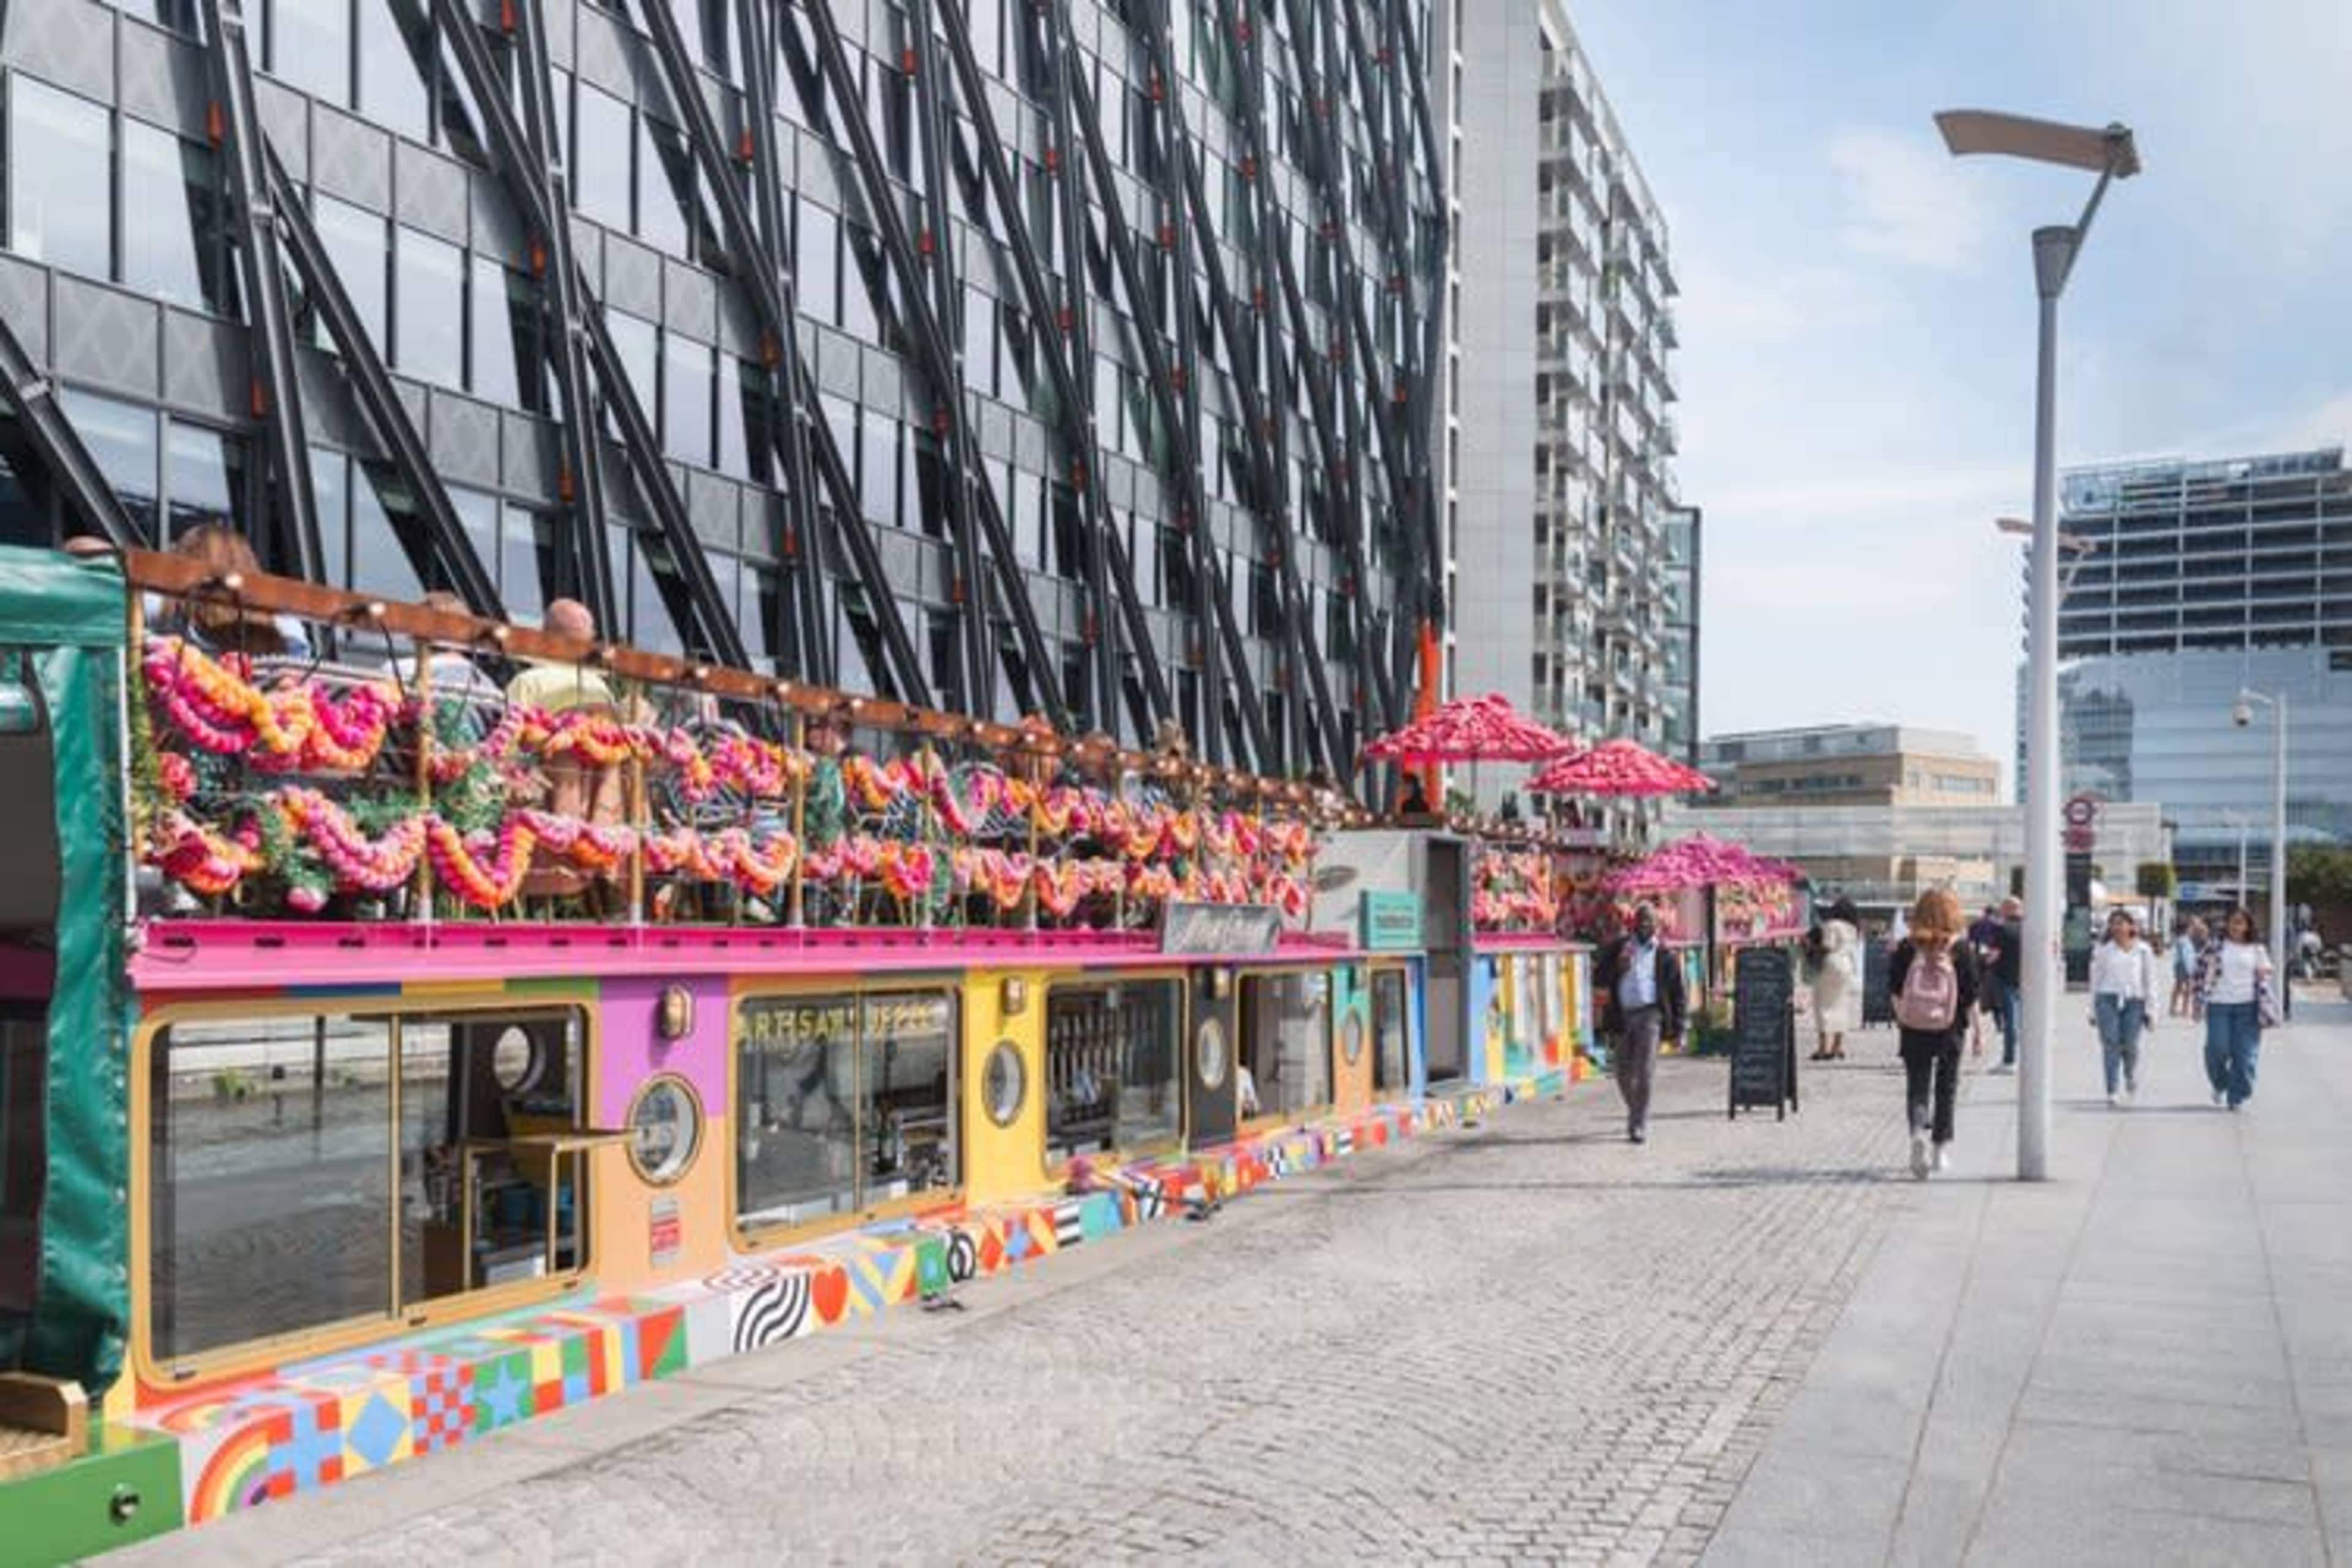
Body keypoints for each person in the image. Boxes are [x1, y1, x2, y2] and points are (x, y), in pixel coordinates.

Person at [1888, 889, 1980, 1178]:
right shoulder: (1960, 949)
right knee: (1947, 1086)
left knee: (1917, 1084)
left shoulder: (1906, 947)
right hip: (1950, 1028)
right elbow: (1971, 994)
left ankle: (1918, 1130)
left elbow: (1893, 989)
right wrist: (1978, 1030)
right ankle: (1940, 1150)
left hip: (1914, 1026)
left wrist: (1904, 1015)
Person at [149, 521, 313, 659]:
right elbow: (300, 661)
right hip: (259, 694)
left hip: (183, 692)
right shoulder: (283, 626)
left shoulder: (167, 613)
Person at [1596, 905, 1687, 1144]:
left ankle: (1638, 1125)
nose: (1645, 926)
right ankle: (1636, 1108)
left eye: (1650, 922)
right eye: (1641, 921)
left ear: (1657, 925)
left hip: (1651, 1016)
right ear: (1634, 923)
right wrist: (1618, 965)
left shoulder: (1666, 955)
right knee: (1622, 1072)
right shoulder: (1620, 948)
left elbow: (1678, 994)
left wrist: (1680, 1028)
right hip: (1623, 1015)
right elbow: (1599, 976)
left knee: (1645, 1072)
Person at [2193, 906, 2275, 1111]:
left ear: (2248, 926)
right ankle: (2221, 1083)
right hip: (2218, 1005)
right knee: (2217, 1049)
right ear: (2226, 924)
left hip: (2248, 1008)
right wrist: (2197, 1001)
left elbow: (2266, 971)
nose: (2236, 926)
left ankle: (2237, 1094)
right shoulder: (2215, 946)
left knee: (2246, 1057)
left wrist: (2263, 973)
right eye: (2232, 921)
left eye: (2240, 922)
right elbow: (2198, 972)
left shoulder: (2257, 949)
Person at [2089, 909, 2163, 1107]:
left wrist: (2152, 1010)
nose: (2118, 927)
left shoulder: (2143, 950)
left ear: (2132, 926)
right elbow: (2095, 981)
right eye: (2114, 924)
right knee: (2110, 1044)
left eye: (2122, 923)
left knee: (2131, 1044)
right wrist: (2092, 1010)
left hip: (2134, 1001)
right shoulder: (2103, 950)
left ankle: (2130, 1074)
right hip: (2107, 999)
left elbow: (2150, 982)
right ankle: (2111, 1089)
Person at [1809, 898, 1862, 1060]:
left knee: (1823, 1005)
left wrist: (1812, 947)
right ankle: (1837, 1047)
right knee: (1841, 1005)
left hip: (1831, 964)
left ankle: (1823, 1048)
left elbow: (1828, 946)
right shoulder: (1853, 929)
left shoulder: (1832, 925)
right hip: (1847, 966)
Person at [1983, 896, 2024, 1074]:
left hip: (2006, 980)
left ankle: (2010, 1060)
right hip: (2027, 982)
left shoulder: (2002, 930)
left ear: (2007, 910)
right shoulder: (2030, 928)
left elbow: (1993, 956)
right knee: (2021, 1021)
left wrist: (1984, 960)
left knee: (2010, 1022)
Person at [1966, 904, 2003, 1056]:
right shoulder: (1997, 926)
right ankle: (1997, 1021)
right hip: (1992, 960)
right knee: (1993, 989)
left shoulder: (1975, 925)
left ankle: (1980, 1006)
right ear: (1993, 914)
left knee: (1978, 986)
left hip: (1977, 959)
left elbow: (1970, 943)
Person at [2168, 916, 2205, 1019]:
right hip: (2182, 966)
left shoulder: (2189, 939)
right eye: (2192, 928)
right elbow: (2185, 956)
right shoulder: (2183, 940)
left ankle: (2181, 1009)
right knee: (2181, 987)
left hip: (2185, 965)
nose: (2194, 930)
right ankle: (2175, 1008)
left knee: (2185, 988)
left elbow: (2192, 954)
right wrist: (2190, 969)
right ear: (2188, 928)